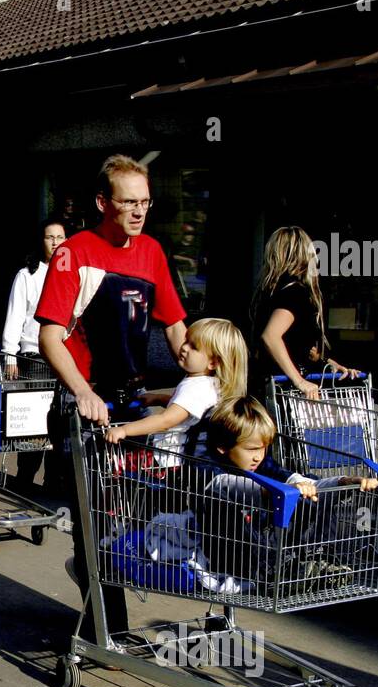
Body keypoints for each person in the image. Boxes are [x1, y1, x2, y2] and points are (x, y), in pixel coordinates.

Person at [36, 154, 187, 646]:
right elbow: (51, 337)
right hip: (86, 402)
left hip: (130, 400)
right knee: (97, 513)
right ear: (104, 202)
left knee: (136, 509)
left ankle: (94, 576)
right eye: (128, 203)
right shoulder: (73, 253)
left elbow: (176, 326)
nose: (139, 212)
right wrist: (80, 391)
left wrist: (207, 365)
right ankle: (109, 627)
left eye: (145, 202)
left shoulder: (152, 253)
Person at [196, 397, 378, 591]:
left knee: (308, 494)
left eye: (263, 447)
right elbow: (238, 487)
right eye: (251, 449)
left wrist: (345, 482)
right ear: (223, 447)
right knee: (254, 501)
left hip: (263, 545)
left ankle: (315, 558)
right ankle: (281, 571)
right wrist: (281, 490)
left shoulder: (262, 464)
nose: (258, 455)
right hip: (229, 553)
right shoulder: (210, 473)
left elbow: (295, 479)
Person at [103, 317, 247, 464]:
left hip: (166, 460)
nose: (184, 347)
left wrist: (124, 430)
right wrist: (159, 398)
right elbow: (187, 411)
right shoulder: (209, 384)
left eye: (194, 347)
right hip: (177, 458)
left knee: (115, 464)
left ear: (213, 362)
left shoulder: (195, 388)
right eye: (186, 341)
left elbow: (166, 420)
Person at [251, 226, 359, 401]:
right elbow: (271, 336)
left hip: (271, 384)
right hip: (283, 389)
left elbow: (298, 345)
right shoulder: (295, 293)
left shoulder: (272, 291)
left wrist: (330, 364)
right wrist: (299, 381)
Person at [3, 219, 67, 493]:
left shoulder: (73, 273)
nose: (55, 242)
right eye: (50, 237)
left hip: (65, 358)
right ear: (40, 241)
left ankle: (53, 482)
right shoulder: (27, 275)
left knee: (60, 425)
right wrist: (10, 354)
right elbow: (16, 315)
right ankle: (24, 480)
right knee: (32, 425)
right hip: (34, 356)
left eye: (60, 237)